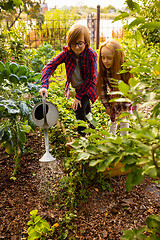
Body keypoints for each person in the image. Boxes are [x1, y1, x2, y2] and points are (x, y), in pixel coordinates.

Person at [39, 24, 97, 136]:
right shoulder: (67, 53)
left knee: (79, 108)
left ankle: (83, 138)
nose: (76, 47)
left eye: (80, 43)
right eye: (73, 43)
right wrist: (44, 85)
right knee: (86, 110)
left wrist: (78, 97)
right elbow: (50, 66)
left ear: (86, 41)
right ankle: (93, 131)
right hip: (78, 86)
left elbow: (89, 79)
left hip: (89, 86)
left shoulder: (91, 55)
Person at [97, 39, 135, 135]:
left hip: (126, 97)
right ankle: (111, 138)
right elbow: (102, 89)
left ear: (117, 57)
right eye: (103, 57)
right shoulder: (104, 70)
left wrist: (125, 108)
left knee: (124, 120)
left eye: (109, 58)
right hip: (114, 96)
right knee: (112, 118)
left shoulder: (125, 68)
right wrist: (107, 106)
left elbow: (130, 89)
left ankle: (124, 141)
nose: (105, 61)